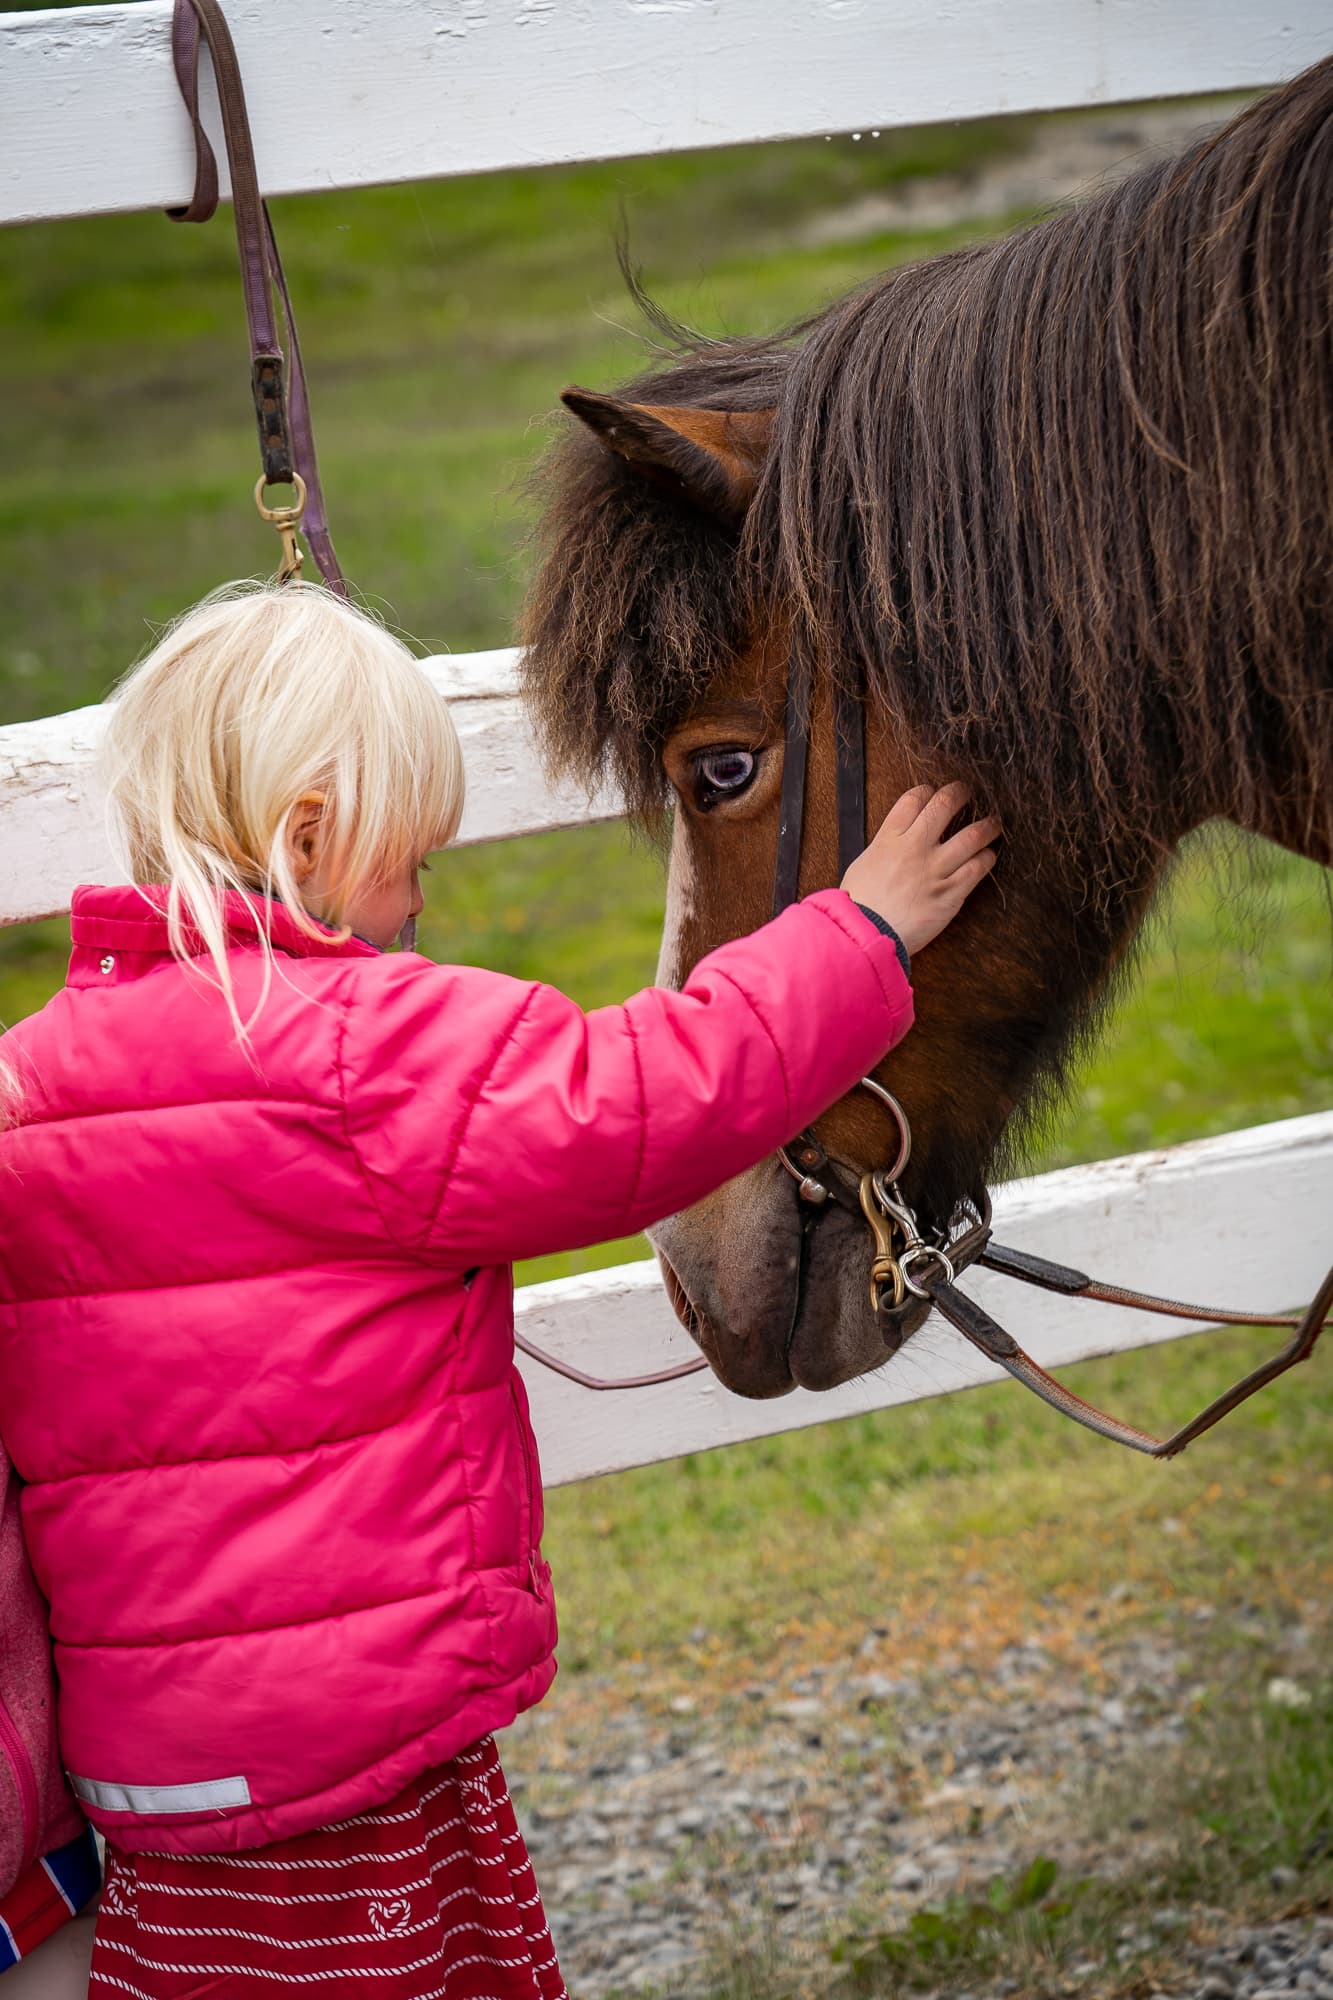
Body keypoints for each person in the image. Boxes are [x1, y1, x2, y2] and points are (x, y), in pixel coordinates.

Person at [0, 581, 998, 1999]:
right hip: (353, 1741)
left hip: (162, 1776)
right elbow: (642, 1098)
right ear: (309, 836)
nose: (417, 902)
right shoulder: (356, 1052)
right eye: (415, 859)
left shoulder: (42, 1072)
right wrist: (861, 931)